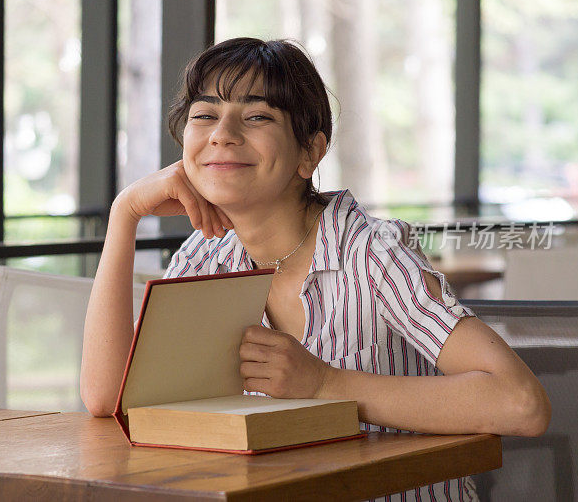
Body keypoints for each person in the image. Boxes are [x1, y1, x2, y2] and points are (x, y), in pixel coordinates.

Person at [80, 37, 551, 501]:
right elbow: (108, 399)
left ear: (310, 152)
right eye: (205, 115)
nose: (222, 133)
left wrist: (325, 383)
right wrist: (125, 214)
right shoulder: (206, 256)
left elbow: (520, 403)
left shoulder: (371, 253)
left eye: (257, 116)